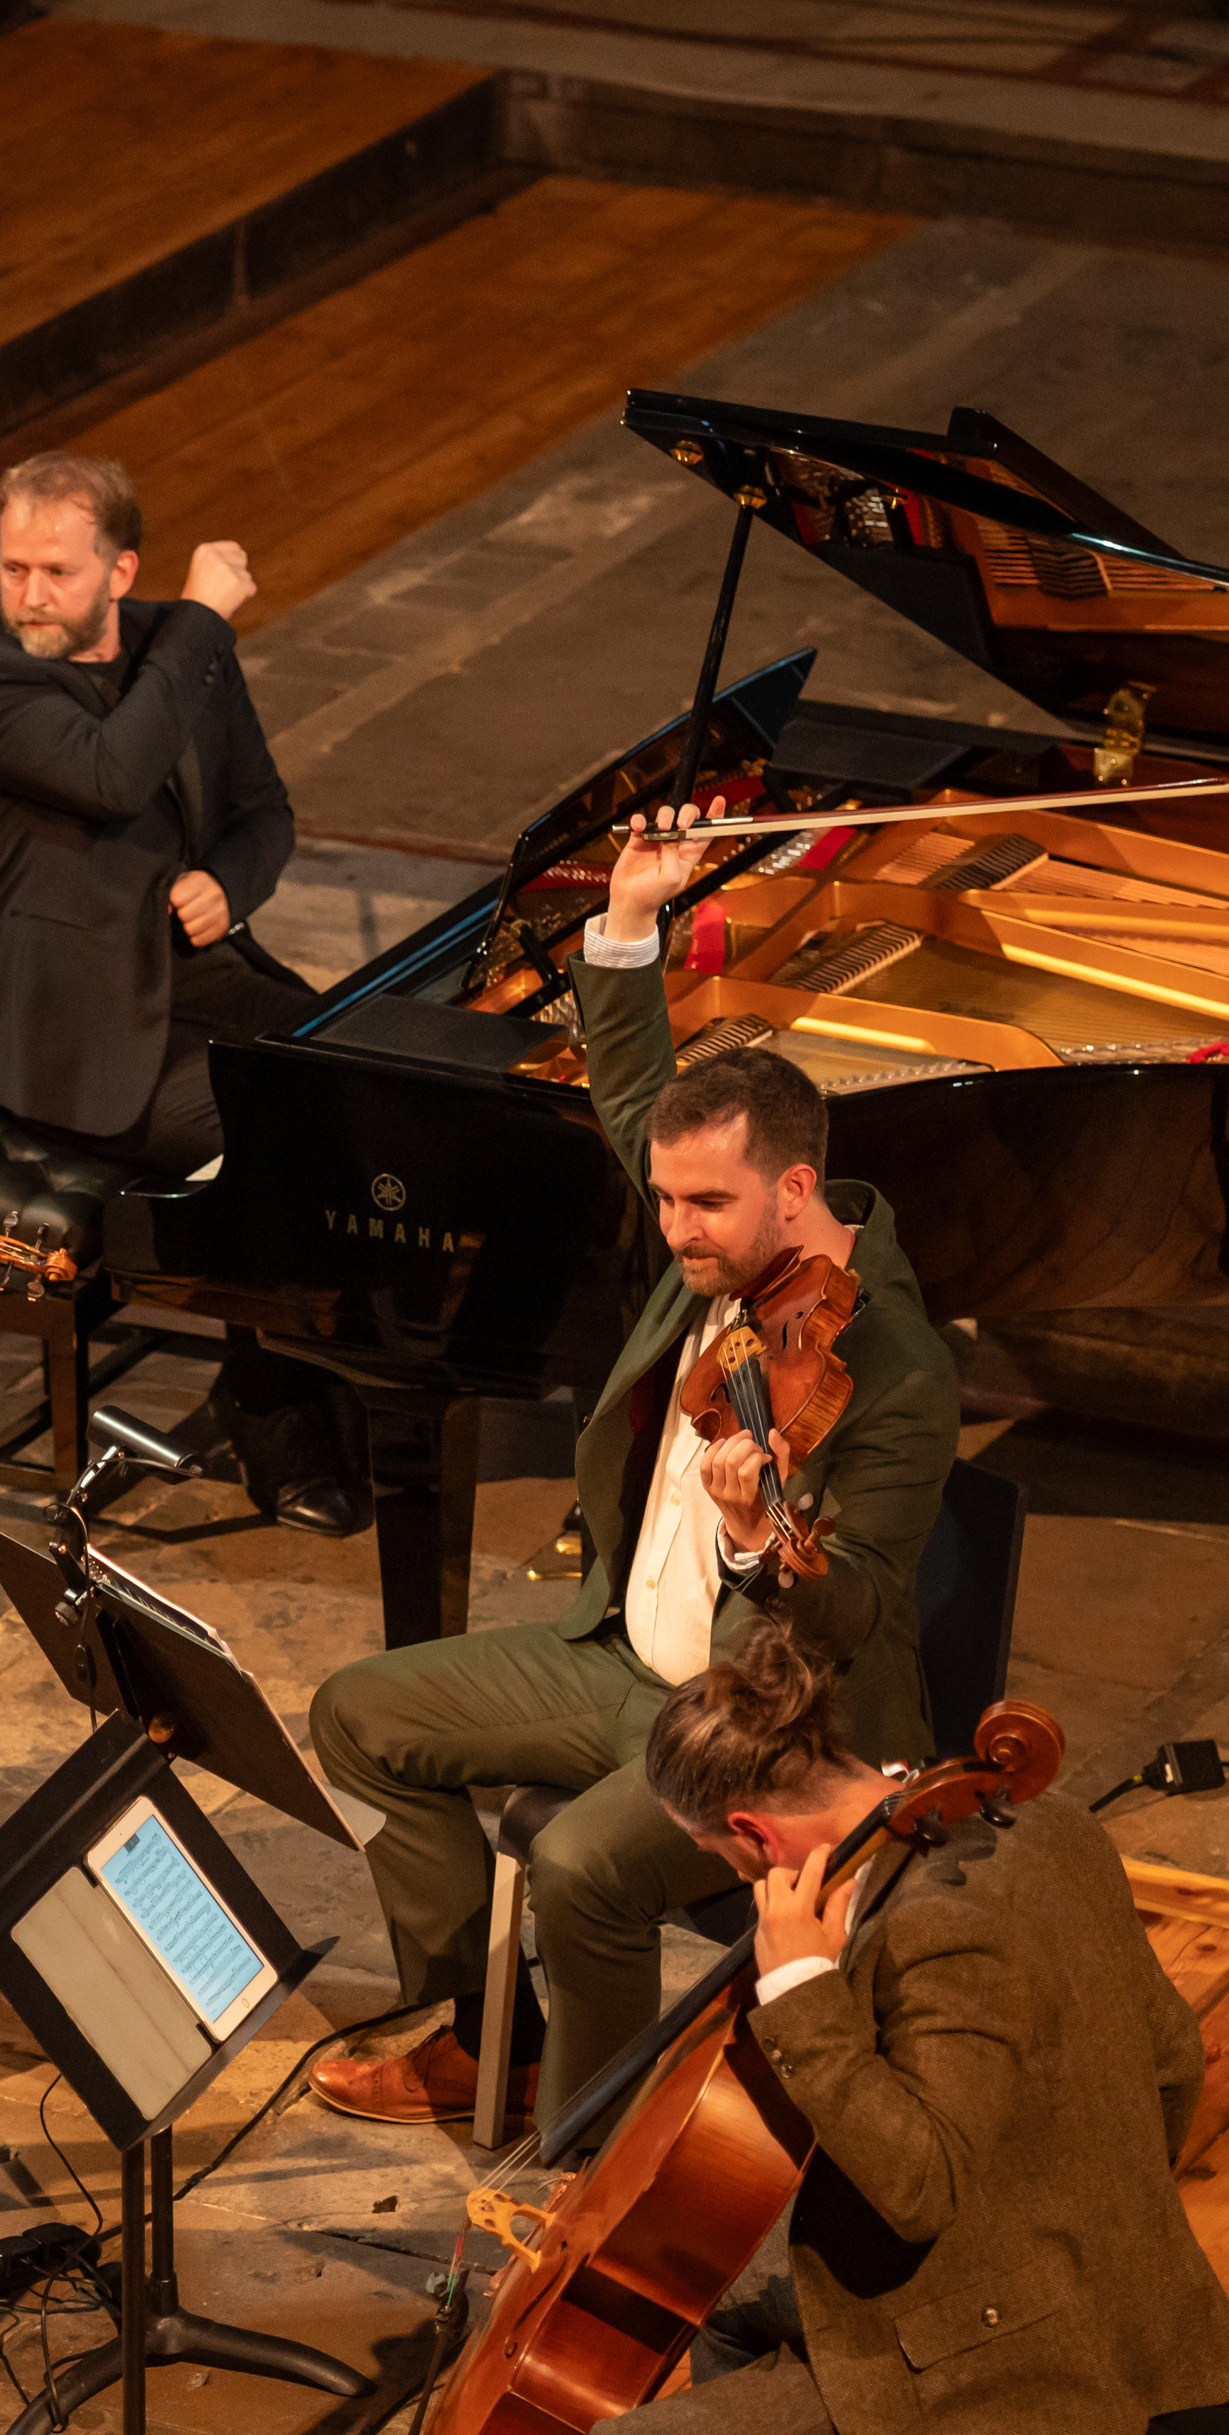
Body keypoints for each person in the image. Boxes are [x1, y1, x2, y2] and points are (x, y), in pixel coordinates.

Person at [305, 804, 959, 2131]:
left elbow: (854, 1609)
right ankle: (492, 2034)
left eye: (702, 1203)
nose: (672, 1230)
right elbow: (634, 1100)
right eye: (661, 1199)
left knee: (577, 1864)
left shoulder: (893, 1365)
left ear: (794, 1190)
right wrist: (625, 918)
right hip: (618, 1661)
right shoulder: (713, 1243)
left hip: (769, 1716)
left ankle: (583, 2149)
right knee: (359, 1715)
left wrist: (759, 1540)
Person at [612, 1625, 1229, 2435]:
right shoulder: (1049, 1819)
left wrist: (799, 1988)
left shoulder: (931, 1924)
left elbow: (919, 2191)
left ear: (753, 1832)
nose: (734, 1871)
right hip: (1108, 2269)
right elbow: (1174, 2060)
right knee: (713, 2290)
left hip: (997, 2342)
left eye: (716, 1852)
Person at [0, 449, 360, 1532]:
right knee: (277, 1133)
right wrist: (204, 621)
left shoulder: (180, 650)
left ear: (120, 571)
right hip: (77, 1036)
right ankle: (274, 1415)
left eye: (57, 572)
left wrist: (228, 882)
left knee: (377, 1078)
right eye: (12, 569)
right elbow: (112, 770)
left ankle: (345, 1370)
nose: (30, 596)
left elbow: (264, 813)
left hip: (199, 980)